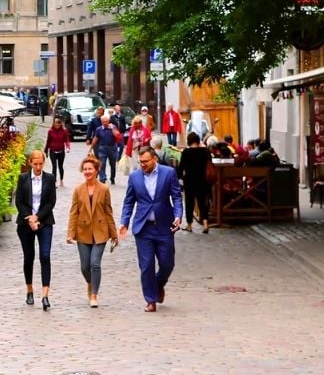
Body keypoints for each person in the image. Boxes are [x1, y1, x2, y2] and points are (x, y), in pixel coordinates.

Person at [119, 146, 184, 313]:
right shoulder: (134, 177)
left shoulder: (168, 173)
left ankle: (158, 285)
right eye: (140, 162)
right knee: (146, 265)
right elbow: (129, 201)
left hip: (164, 226)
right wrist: (124, 222)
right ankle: (150, 299)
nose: (142, 165)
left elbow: (176, 196)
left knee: (167, 263)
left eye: (145, 162)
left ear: (154, 159)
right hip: (143, 228)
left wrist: (178, 215)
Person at [66, 154, 118, 308]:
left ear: (96, 170)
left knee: (95, 263)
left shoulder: (104, 189)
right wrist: (70, 233)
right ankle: (90, 282)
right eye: (85, 169)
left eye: (90, 169)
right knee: (84, 266)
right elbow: (73, 212)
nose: (87, 172)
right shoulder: (78, 190)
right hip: (83, 232)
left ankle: (94, 294)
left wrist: (114, 234)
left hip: (100, 231)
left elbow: (108, 212)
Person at [15, 150, 56, 310]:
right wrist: (29, 218)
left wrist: (38, 217)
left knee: (45, 255)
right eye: (35, 164)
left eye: (41, 164)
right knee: (29, 257)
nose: (38, 167)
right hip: (25, 223)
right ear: (30, 163)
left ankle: (45, 294)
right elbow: (19, 201)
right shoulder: (23, 178)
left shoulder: (49, 178)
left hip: (45, 221)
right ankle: (29, 290)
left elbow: (51, 201)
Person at [176, 132, 213, 233]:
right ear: (198, 140)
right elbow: (210, 163)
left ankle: (189, 225)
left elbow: (181, 167)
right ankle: (205, 224)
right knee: (202, 202)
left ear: (189, 141)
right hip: (202, 180)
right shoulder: (205, 151)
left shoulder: (186, 152)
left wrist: (177, 178)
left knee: (189, 202)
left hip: (189, 180)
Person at [89, 114, 121, 184]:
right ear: (101, 122)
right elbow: (95, 138)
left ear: (109, 121)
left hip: (112, 147)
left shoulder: (113, 127)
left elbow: (117, 136)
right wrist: (91, 148)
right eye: (104, 121)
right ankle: (102, 178)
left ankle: (112, 178)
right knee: (102, 163)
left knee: (112, 164)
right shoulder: (99, 129)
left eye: (106, 121)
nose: (105, 123)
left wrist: (112, 129)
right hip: (102, 148)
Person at [45, 117, 72, 187]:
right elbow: (48, 141)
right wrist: (46, 150)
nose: (57, 126)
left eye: (58, 124)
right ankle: (54, 182)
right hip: (52, 151)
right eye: (55, 124)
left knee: (60, 166)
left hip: (61, 151)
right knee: (54, 166)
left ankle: (61, 180)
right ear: (53, 124)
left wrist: (68, 147)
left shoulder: (64, 131)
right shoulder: (50, 131)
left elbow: (67, 140)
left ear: (60, 124)